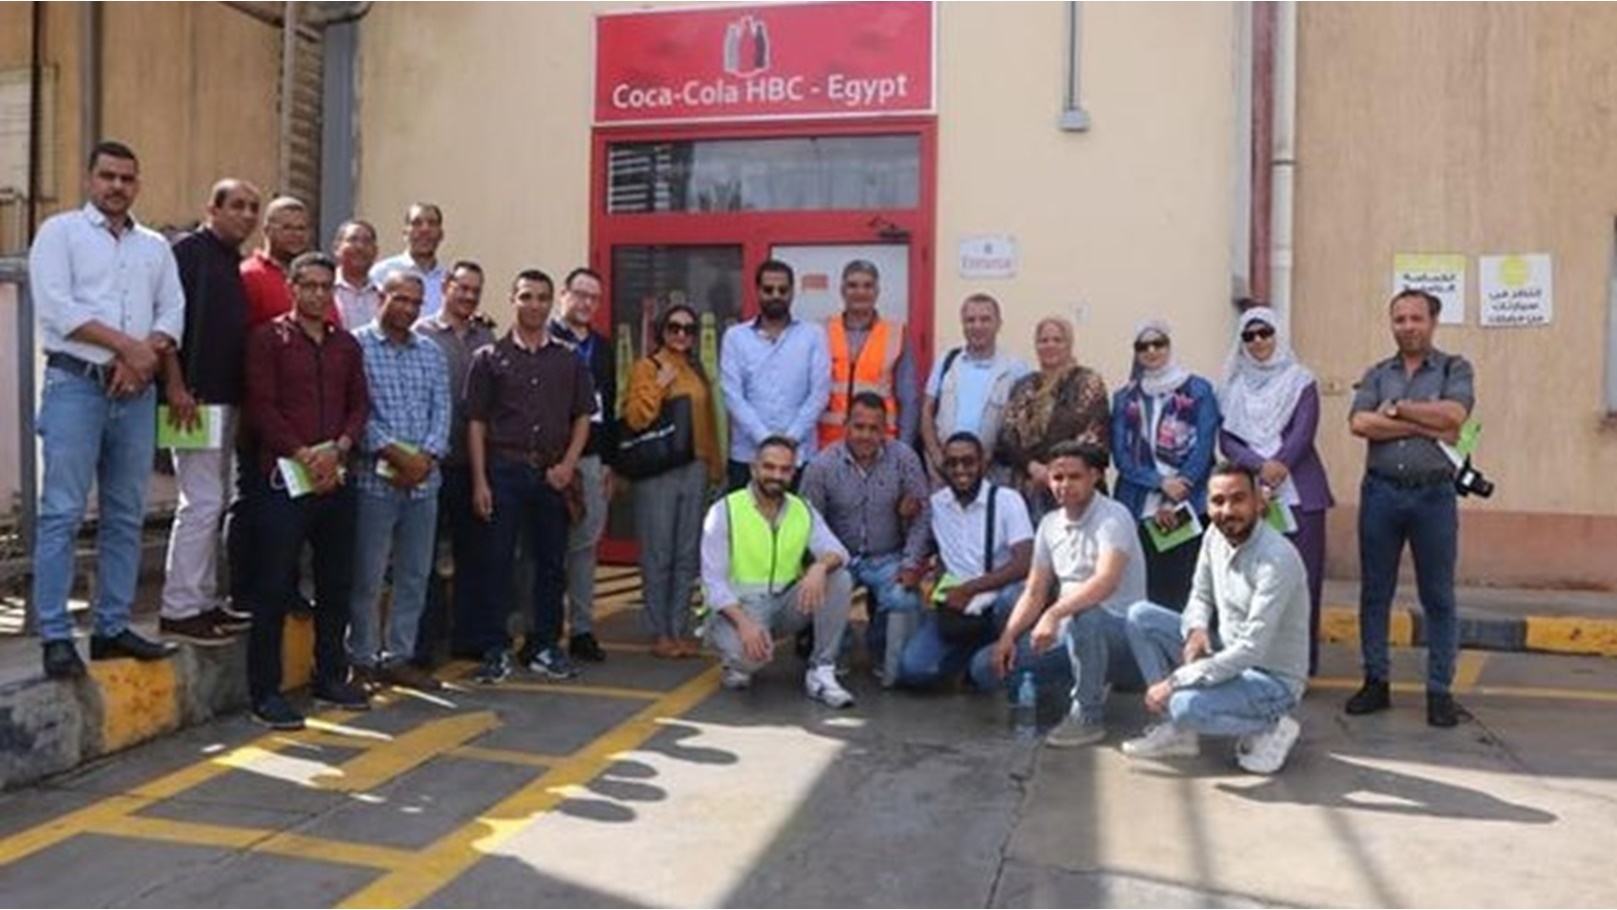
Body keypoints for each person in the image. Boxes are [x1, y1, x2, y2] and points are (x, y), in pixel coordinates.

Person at [29, 140, 185, 679]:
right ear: (89, 178)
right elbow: (57, 308)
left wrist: (143, 360)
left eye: (127, 178)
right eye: (108, 176)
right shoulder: (60, 233)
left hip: (135, 394)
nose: (117, 186)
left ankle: (113, 627)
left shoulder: (154, 247)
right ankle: (55, 635)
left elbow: (173, 309)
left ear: (137, 184)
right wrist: (128, 348)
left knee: (124, 515)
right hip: (76, 386)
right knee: (62, 513)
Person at [243, 251, 371, 729]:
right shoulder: (268, 339)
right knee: (274, 584)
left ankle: (330, 674)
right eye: (309, 285)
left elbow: (360, 404)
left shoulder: (346, 345)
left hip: (336, 477)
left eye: (325, 287)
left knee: (336, 581)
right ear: (292, 287)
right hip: (284, 478)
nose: (317, 294)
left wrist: (340, 447)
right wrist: (303, 453)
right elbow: (262, 406)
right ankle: (266, 692)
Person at [1121, 462, 1311, 775]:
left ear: (1258, 501)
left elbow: (1251, 649)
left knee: (1184, 705)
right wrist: (1196, 628)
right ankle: (1179, 732)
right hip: (1227, 651)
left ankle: (1272, 725)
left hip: (1270, 679)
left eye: (1238, 499)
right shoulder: (1214, 534)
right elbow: (1200, 594)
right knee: (1141, 617)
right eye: (1218, 501)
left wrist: (1176, 681)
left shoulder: (1276, 559)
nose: (1227, 510)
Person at [1345, 289, 1475, 728]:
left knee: (1437, 596)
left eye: (1416, 318)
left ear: (1433, 322)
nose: (1407, 327)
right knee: (1375, 592)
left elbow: (1454, 416)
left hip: (1433, 495)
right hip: (1380, 493)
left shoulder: (1455, 368)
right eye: (1399, 319)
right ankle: (1375, 681)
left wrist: (1398, 410)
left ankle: (1439, 690)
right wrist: (1425, 425)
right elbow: (1359, 422)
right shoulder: (1377, 373)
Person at [465, 269, 595, 685]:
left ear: (551, 302)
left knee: (550, 564)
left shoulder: (568, 358)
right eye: (526, 296)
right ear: (513, 299)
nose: (534, 305)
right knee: (496, 562)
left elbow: (583, 416)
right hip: (503, 470)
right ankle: (495, 648)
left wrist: (569, 465)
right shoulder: (489, 358)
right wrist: (480, 480)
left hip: (551, 475)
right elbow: (476, 422)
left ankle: (544, 646)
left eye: (541, 297)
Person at [155, 178, 261, 648]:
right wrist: (175, 385)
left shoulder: (229, 260)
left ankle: (202, 600)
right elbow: (166, 323)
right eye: (237, 205)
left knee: (213, 500)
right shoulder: (188, 253)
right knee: (199, 502)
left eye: (253, 207)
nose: (247, 215)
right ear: (212, 209)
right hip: (192, 400)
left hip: (225, 400)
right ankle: (179, 609)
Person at [986, 442, 1146, 747]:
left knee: (1086, 616)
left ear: (1095, 476)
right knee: (986, 668)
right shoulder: (1049, 525)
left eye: (1074, 477)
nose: (1064, 485)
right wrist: (1008, 637)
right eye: (1057, 478)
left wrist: (1054, 612)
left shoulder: (1114, 516)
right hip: (1068, 633)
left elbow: (1105, 581)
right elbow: (1035, 591)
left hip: (1120, 634)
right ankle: (1081, 682)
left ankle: (1087, 716)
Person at [348, 270, 451, 692]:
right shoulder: (356, 347)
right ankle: (362, 658)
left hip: (424, 484)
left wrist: (425, 458)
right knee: (368, 576)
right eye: (400, 299)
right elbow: (356, 411)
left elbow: (442, 411)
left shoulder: (430, 351)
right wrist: (394, 454)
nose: (408, 308)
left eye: (415, 302)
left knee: (414, 575)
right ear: (381, 298)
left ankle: (399, 657)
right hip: (375, 481)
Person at [1218, 304, 1333, 675]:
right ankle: (1256, 662)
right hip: (1249, 494)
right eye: (1249, 336)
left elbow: (1304, 430)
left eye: (1265, 333)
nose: (1258, 342)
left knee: (1303, 579)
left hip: (1299, 494)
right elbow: (1227, 439)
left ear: (1278, 335)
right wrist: (1259, 467)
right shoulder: (1233, 386)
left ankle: (1300, 665)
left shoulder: (1300, 380)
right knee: (1253, 583)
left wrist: (1278, 465)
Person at [699, 435, 856, 707]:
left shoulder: (802, 509)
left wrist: (819, 567)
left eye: (785, 469)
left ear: (793, 473)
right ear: (753, 468)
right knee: (751, 660)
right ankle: (734, 663)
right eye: (769, 467)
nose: (776, 475)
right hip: (739, 609)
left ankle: (821, 671)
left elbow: (839, 551)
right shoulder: (724, 511)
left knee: (839, 578)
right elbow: (713, 583)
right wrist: (744, 624)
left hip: (785, 605)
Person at [801, 392, 930, 684]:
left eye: (874, 428)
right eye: (859, 426)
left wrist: (911, 562)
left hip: (887, 556)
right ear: (846, 425)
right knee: (826, 586)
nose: (866, 435)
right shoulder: (822, 466)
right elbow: (808, 521)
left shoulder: (904, 458)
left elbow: (923, 514)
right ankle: (839, 651)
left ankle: (881, 652)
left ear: (885, 430)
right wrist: (819, 564)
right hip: (839, 557)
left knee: (903, 598)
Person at [895, 432, 1036, 691]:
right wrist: (906, 519)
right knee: (913, 671)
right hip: (956, 606)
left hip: (996, 600)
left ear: (982, 463)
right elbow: (921, 546)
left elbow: (1025, 562)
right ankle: (972, 659)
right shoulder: (936, 504)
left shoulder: (1007, 500)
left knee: (1012, 597)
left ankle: (1002, 657)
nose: (960, 470)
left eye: (968, 462)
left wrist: (969, 589)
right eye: (952, 463)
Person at [622, 303, 723, 659]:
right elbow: (635, 418)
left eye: (688, 329)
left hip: (694, 469)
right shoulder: (648, 367)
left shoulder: (696, 371)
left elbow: (708, 423)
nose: (681, 335)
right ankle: (660, 631)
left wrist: (714, 468)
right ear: (662, 331)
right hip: (659, 470)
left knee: (686, 554)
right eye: (674, 328)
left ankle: (678, 628)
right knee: (658, 552)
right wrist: (659, 386)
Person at [416, 261, 496, 665]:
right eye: (462, 288)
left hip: (474, 463)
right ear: (446, 286)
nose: (468, 296)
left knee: (474, 554)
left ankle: (468, 638)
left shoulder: (486, 336)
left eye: (475, 290)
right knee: (424, 559)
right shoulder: (422, 333)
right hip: (431, 461)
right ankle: (424, 645)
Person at [1111, 320, 1220, 612]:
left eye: (1158, 343)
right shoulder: (1125, 397)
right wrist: (1160, 483)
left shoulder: (1198, 389)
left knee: (1186, 587)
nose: (1151, 351)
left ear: (1169, 346)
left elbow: (1204, 446)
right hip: (1140, 503)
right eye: (1142, 346)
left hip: (1188, 501)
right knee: (1147, 588)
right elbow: (1121, 456)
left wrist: (1178, 488)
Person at [550, 267, 616, 664]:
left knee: (585, 546)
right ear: (564, 294)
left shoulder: (602, 347)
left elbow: (611, 404)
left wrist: (608, 461)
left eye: (594, 297)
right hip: (549, 458)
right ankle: (541, 628)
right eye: (580, 294)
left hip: (591, 458)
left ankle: (582, 630)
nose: (587, 303)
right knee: (543, 547)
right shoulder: (544, 338)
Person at [719, 259, 831, 491]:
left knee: (799, 514)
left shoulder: (813, 335)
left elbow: (819, 393)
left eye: (782, 289)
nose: (776, 295)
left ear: (792, 292)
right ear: (758, 291)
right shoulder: (735, 337)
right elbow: (732, 395)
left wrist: (790, 440)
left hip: (799, 456)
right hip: (748, 456)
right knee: (746, 515)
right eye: (768, 289)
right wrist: (765, 440)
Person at [995, 316, 1110, 519]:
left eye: (1058, 340)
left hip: (1075, 489)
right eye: (1044, 340)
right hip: (1029, 489)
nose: (1050, 345)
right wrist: (1032, 467)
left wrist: (1055, 472)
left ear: (1069, 344)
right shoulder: (1024, 386)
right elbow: (1007, 435)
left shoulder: (1087, 382)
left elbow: (1094, 433)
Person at [920, 293, 1029, 485]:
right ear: (963, 324)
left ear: (999, 324)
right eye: (970, 320)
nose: (977, 326)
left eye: (985, 320)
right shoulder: (947, 361)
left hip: (994, 474)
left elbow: (1023, 425)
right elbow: (927, 412)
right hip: (946, 471)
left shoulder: (1016, 368)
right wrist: (937, 457)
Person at [816, 260, 919, 449]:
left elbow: (908, 399)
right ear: (842, 290)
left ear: (877, 291)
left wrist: (904, 448)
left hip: (880, 446)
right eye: (853, 285)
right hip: (829, 444)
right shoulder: (821, 331)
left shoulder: (896, 334)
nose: (860, 292)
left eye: (867, 286)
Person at [241, 196, 310, 327]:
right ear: (267, 230)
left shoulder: (314, 277)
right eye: (287, 228)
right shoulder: (249, 275)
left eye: (301, 228)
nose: (296, 234)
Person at [371, 202, 446, 320]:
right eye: (417, 223)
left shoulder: (448, 279)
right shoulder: (382, 272)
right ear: (405, 233)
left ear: (441, 234)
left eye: (432, 223)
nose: (425, 229)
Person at [332, 219, 381, 330]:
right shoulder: (324, 289)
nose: (360, 247)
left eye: (367, 241)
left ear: (375, 251)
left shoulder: (383, 294)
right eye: (353, 240)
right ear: (336, 248)